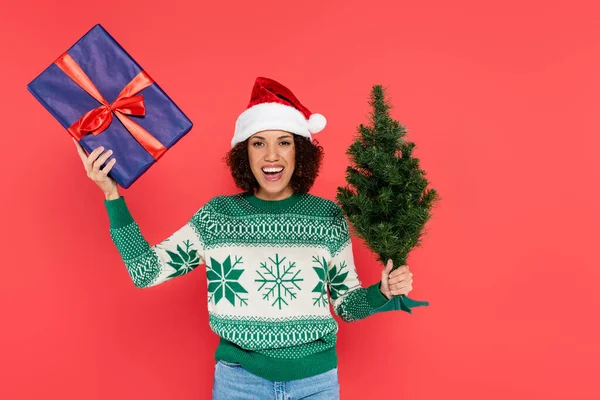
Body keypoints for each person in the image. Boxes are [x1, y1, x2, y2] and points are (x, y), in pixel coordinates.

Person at [73, 77, 415, 399]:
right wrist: (112, 196)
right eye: (258, 143)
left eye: (284, 142)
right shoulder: (217, 217)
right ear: (244, 153)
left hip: (316, 384)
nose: (271, 156)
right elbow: (144, 272)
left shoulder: (327, 217)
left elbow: (347, 307)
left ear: (300, 152)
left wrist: (382, 292)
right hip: (240, 384)